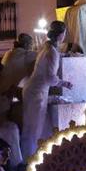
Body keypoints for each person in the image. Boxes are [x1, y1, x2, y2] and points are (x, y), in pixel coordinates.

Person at [20, 20, 72, 161]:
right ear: (61, 35)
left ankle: (32, 159)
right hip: (37, 93)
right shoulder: (52, 52)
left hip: (33, 91)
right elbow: (50, 78)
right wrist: (65, 83)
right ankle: (29, 161)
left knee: (34, 128)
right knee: (33, 130)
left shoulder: (46, 48)